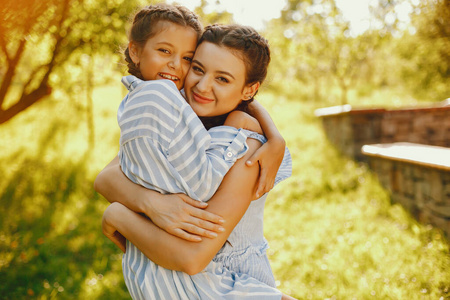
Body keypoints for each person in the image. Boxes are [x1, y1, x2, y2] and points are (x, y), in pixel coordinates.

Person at [95, 4, 294, 300]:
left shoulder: (248, 145)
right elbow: (107, 177)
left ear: (249, 89)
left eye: (222, 79)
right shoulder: (178, 117)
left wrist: (119, 215)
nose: (201, 85)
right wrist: (151, 204)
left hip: (233, 285)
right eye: (197, 68)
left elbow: (192, 259)